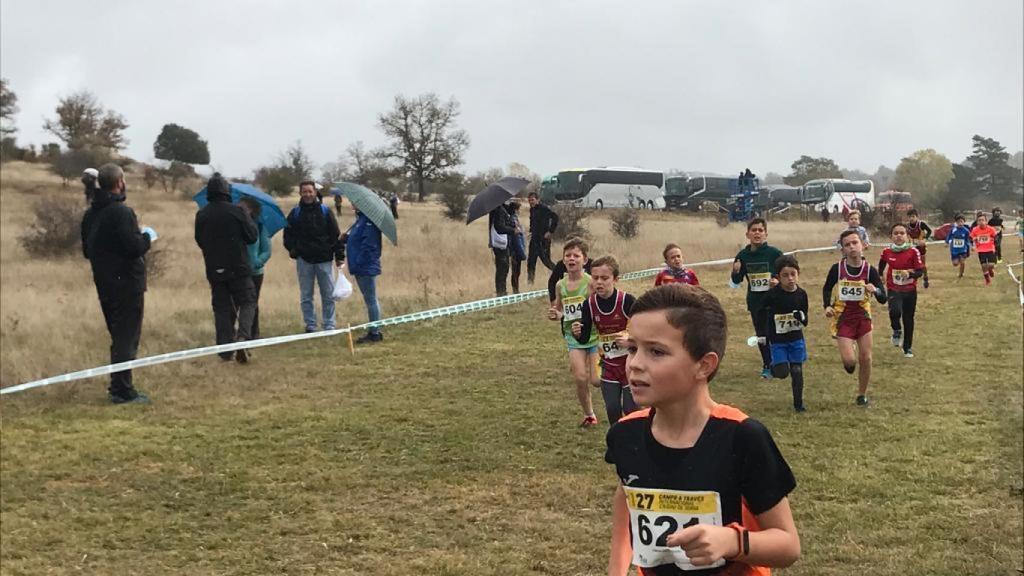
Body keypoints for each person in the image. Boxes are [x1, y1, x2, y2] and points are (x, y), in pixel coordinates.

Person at [605, 284, 800, 575]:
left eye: (656, 352)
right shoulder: (625, 434)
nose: (635, 364)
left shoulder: (741, 437)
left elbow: (788, 546)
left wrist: (732, 541)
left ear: (704, 365)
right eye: (632, 349)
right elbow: (627, 499)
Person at [81, 163, 154, 404]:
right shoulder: (121, 212)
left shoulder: (90, 214)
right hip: (127, 285)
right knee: (126, 338)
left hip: (105, 284)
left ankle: (119, 385)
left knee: (119, 335)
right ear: (120, 182)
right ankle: (122, 390)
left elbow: (87, 251)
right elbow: (133, 248)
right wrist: (147, 237)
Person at [195, 174, 258, 362]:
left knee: (221, 308)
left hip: (215, 269)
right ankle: (242, 338)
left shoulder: (202, 214)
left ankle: (224, 350)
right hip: (239, 268)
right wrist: (247, 217)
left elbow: (200, 240)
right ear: (226, 192)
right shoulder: (237, 211)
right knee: (248, 301)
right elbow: (252, 236)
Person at [823, 230, 887, 406]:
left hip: (863, 318)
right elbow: (827, 288)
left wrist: (876, 290)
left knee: (865, 358)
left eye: (855, 243)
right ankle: (849, 361)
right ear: (842, 249)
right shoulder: (837, 269)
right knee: (850, 362)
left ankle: (861, 394)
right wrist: (827, 306)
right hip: (843, 318)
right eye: (847, 244)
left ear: (863, 245)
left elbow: (883, 298)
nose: (852, 247)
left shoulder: (870, 270)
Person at [571, 256, 637, 425]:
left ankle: (634, 439)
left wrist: (630, 340)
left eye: (604, 278)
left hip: (630, 364)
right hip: (607, 364)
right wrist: (577, 333)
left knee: (630, 409)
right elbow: (584, 338)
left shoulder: (627, 301)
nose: (599, 282)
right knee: (613, 409)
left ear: (615, 279)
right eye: (595, 278)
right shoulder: (589, 304)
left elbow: (646, 332)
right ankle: (617, 440)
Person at [547, 237, 601, 428]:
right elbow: (560, 310)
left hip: (594, 335)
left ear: (585, 260)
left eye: (576, 255)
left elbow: (600, 307)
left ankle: (618, 390)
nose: (571, 259)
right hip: (573, 337)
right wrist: (556, 314)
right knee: (580, 378)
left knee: (596, 380)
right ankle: (589, 415)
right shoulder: (560, 285)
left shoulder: (591, 283)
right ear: (563, 260)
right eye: (568, 255)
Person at [284, 180, 344, 332]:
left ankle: (329, 324)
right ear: (300, 193)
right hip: (304, 260)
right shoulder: (295, 213)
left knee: (328, 294)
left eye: (310, 191)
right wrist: (294, 250)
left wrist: (339, 255)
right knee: (306, 295)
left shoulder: (325, 211)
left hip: (324, 259)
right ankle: (310, 324)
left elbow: (335, 235)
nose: (308, 194)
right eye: (304, 192)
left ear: (315, 192)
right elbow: (287, 235)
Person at [730, 218, 784, 378]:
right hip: (756, 302)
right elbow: (736, 281)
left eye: (760, 230)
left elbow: (788, 273)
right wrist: (735, 271)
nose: (757, 233)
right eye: (754, 230)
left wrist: (778, 281)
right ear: (748, 234)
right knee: (762, 335)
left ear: (766, 234)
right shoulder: (742, 255)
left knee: (776, 333)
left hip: (774, 301)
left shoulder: (775, 253)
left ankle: (780, 362)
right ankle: (767, 365)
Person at [763, 255, 809, 412]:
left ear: (798, 274)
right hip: (778, 340)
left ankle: (798, 405)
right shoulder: (772, 295)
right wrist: (765, 334)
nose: (790, 278)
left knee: (797, 371)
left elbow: (805, 319)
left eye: (793, 274)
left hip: (796, 339)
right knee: (783, 372)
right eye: (785, 275)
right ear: (778, 277)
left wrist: (801, 317)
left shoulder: (802, 294)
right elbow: (763, 312)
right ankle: (773, 368)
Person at [878, 223, 924, 358]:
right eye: (896, 233)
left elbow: (920, 271)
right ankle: (896, 330)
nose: (899, 236)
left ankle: (907, 347)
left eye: (902, 233)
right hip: (894, 288)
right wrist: (880, 275)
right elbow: (882, 263)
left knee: (908, 318)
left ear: (907, 236)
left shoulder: (913, 251)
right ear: (891, 236)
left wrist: (910, 274)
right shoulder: (887, 251)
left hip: (910, 290)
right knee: (895, 312)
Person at [344, 203, 385, 343]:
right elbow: (358, 239)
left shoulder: (369, 221)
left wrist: (359, 262)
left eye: (356, 202)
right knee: (369, 299)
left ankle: (374, 332)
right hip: (360, 266)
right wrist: (347, 239)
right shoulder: (360, 219)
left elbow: (369, 245)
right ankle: (374, 329)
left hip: (365, 266)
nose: (353, 204)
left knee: (371, 299)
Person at [238, 197, 272, 340]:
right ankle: (239, 333)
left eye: (243, 208)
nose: (239, 209)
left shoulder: (260, 227)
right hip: (238, 271)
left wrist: (257, 262)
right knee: (237, 302)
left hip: (255, 272)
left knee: (252, 303)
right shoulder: (234, 225)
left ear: (251, 210)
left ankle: (253, 333)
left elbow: (266, 251)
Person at [526, 191, 559, 284]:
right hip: (534, 239)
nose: (531, 202)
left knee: (546, 261)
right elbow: (533, 222)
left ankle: (560, 274)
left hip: (543, 240)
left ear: (537, 200)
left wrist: (550, 231)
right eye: (529, 200)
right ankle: (530, 283)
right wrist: (531, 231)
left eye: (532, 200)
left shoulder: (544, 208)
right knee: (531, 262)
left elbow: (555, 218)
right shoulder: (532, 210)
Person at [488, 202, 517, 296]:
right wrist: (513, 230)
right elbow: (500, 227)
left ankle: (502, 291)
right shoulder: (498, 209)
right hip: (500, 244)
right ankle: (501, 292)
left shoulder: (500, 208)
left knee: (503, 268)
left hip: (500, 243)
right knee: (502, 268)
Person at [904, 209, 932, 288]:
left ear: (917, 217)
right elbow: (905, 234)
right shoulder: (907, 226)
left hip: (921, 246)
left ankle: (925, 278)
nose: (911, 218)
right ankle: (912, 280)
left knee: (922, 264)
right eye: (910, 217)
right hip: (912, 246)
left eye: (913, 216)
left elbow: (929, 231)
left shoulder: (921, 224)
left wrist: (924, 239)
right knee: (911, 264)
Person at [969, 212, 999, 285]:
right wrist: (972, 246)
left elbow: (996, 237)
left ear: (986, 221)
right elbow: (971, 238)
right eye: (979, 220)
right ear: (977, 222)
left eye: (983, 220)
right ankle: (987, 279)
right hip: (981, 250)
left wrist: (995, 243)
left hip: (990, 249)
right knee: (983, 265)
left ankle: (990, 270)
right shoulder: (975, 230)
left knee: (991, 264)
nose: (981, 222)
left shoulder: (991, 229)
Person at [506, 200, 527, 294]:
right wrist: (522, 253)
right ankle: (516, 291)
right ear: (515, 210)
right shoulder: (513, 220)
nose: (519, 211)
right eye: (518, 209)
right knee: (516, 272)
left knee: (516, 272)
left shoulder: (513, 219)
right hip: (515, 250)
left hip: (515, 249)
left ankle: (516, 290)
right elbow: (516, 238)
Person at [945, 214, 972, 280]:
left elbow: (968, 239)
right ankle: (958, 259)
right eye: (958, 222)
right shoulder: (953, 230)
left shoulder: (966, 231)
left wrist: (970, 245)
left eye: (961, 221)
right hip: (954, 249)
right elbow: (949, 236)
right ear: (956, 222)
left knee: (962, 262)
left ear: (964, 222)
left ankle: (961, 274)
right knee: (955, 264)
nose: (960, 223)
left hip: (963, 249)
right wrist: (947, 242)